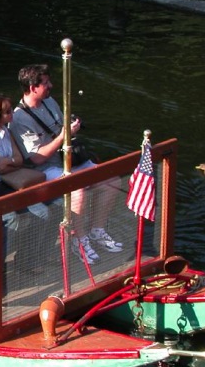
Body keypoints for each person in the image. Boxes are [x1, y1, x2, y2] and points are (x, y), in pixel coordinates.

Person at [10, 63, 122, 263]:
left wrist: (70, 126)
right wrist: (64, 135)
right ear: (33, 87)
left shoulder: (49, 102)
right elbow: (36, 158)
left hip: (67, 158)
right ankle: (78, 241)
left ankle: (97, 230)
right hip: (46, 169)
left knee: (111, 180)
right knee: (77, 190)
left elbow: (61, 128)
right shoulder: (20, 119)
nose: (50, 85)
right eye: (45, 83)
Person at [0, 94, 37, 198]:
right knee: (28, 203)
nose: (12, 112)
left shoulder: (6, 131)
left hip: (13, 178)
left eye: (11, 109)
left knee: (39, 197)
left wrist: (8, 161)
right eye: (7, 112)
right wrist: (16, 165)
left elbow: (19, 159)